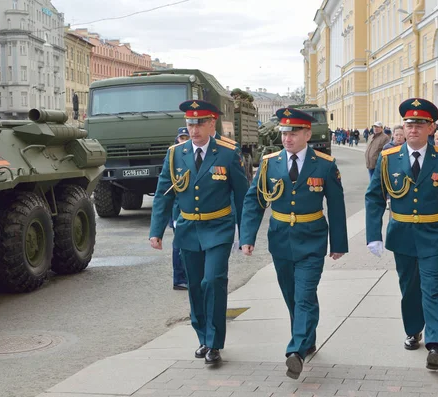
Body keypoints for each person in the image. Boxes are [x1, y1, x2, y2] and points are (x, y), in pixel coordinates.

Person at [365, 98, 438, 371]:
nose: (413, 129)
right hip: (402, 234)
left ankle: (436, 344)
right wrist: (373, 234)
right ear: (403, 127)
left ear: (430, 128)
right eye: (409, 124)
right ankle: (414, 329)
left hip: (434, 233)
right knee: (409, 288)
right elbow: (374, 197)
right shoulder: (389, 158)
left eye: (420, 124)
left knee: (432, 288)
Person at [240, 107, 348, 380]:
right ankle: (306, 336)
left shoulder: (324, 164)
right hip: (280, 239)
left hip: (311, 239)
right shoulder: (269, 162)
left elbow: (336, 206)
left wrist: (338, 243)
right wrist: (247, 237)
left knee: (304, 294)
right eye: (284, 132)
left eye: (294, 132)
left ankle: (296, 351)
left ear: (307, 134)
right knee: (292, 295)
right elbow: (254, 201)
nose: (287, 137)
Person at [149, 100, 249, 364]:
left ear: (212, 123)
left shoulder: (228, 153)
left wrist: (246, 235)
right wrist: (156, 230)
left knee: (213, 281)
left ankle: (215, 343)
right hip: (188, 230)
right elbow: (163, 194)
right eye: (190, 123)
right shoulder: (175, 153)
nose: (194, 129)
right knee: (194, 286)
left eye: (200, 123)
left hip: (218, 228)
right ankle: (203, 337)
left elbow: (242, 196)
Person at [170, 127, 191, 291]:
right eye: (181, 138)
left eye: (186, 137)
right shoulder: (173, 158)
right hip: (178, 211)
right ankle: (179, 278)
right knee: (178, 246)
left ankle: (188, 277)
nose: (183, 141)